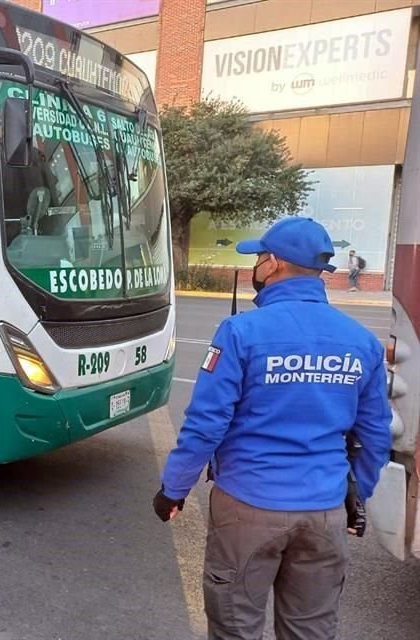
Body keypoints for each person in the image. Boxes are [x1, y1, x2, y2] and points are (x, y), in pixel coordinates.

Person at [154, 217, 392, 640]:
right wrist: (356, 495)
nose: (256, 266)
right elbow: (375, 434)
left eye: (260, 257)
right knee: (310, 629)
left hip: (248, 506)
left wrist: (174, 489)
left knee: (235, 626)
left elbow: (206, 426)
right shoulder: (361, 342)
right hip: (324, 510)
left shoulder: (240, 332)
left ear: (276, 264)